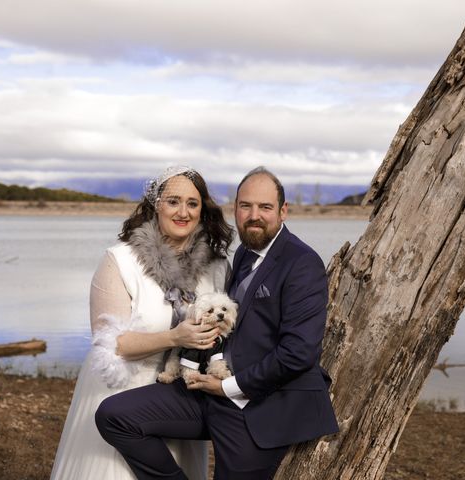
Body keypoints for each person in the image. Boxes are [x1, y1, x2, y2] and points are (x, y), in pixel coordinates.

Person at [95, 167, 339, 479]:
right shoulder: (243, 257)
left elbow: (298, 353)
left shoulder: (301, 263)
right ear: (234, 209)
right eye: (245, 206)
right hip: (210, 389)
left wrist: (228, 387)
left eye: (265, 207)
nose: (254, 216)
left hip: (262, 404)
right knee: (114, 416)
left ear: (283, 211)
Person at [51, 166, 233, 480]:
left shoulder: (217, 267)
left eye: (193, 203)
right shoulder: (120, 260)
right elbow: (112, 345)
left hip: (181, 396)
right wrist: (176, 337)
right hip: (120, 392)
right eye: (173, 201)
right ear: (155, 205)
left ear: (203, 211)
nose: (183, 212)